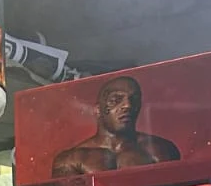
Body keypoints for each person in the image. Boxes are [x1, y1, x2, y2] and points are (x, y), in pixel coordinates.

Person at [52, 75, 180, 177]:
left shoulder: (161, 149)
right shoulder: (71, 160)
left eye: (134, 99)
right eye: (116, 100)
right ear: (98, 110)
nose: (127, 105)